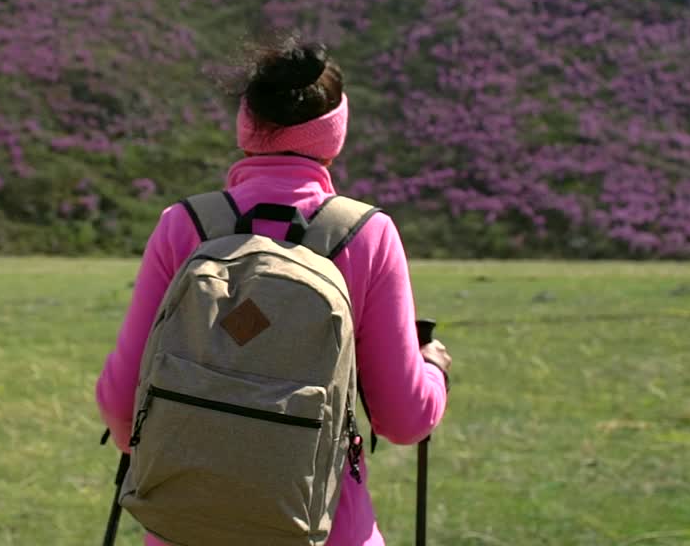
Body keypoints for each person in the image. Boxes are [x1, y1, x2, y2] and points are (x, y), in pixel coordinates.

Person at [95, 38, 451, 545]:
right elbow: (404, 418)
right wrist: (433, 368)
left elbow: (121, 404)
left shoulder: (185, 225)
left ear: (247, 124)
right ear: (335, 131)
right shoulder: (367, 234)